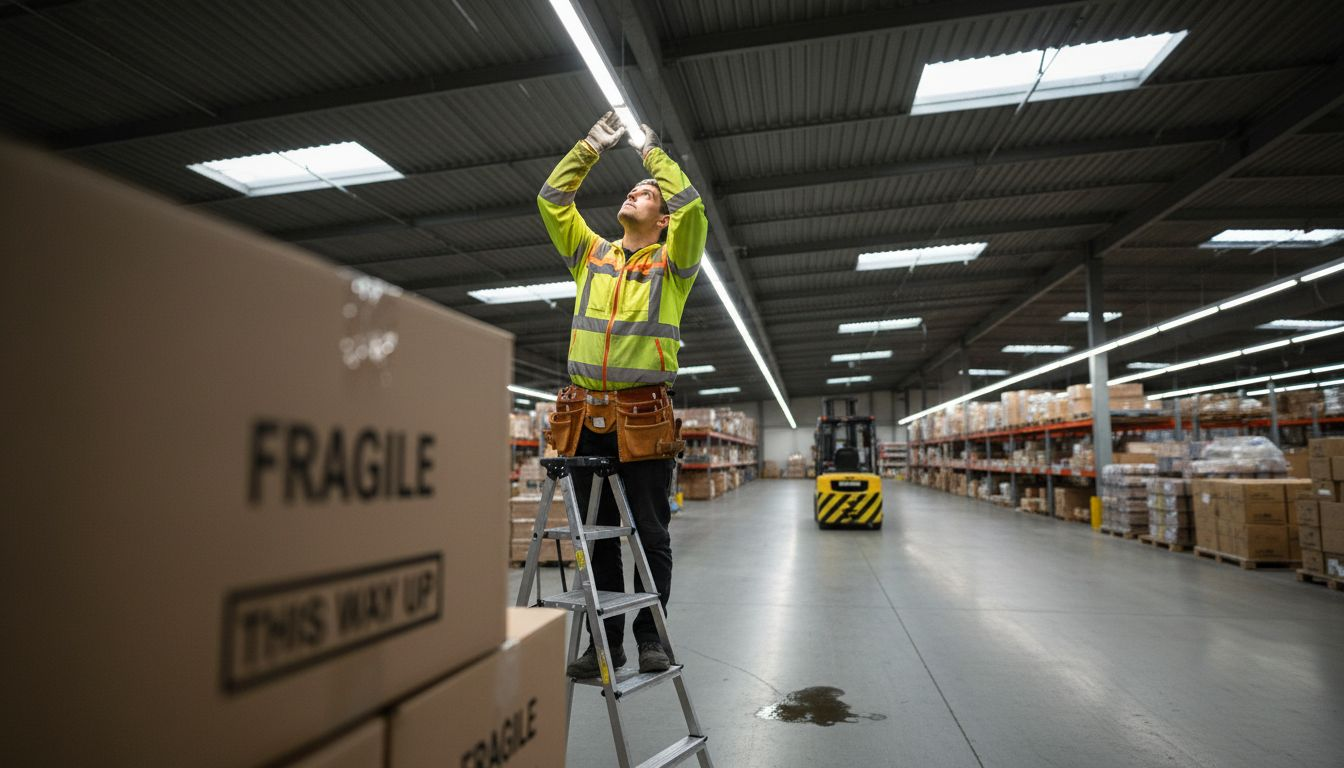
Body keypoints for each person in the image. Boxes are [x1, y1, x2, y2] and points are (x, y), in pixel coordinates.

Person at [536, 111, 707, 677]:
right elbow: (552, 200)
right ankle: (603, 644)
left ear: (662, 221)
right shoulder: (592, 255)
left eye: (648, 194)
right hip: (585, 417)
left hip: (644, 419)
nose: (638, 192)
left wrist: (651, 154)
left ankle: (650, 638)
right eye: (635, 189)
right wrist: (589, 147)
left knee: (649, 536)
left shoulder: (673, 265)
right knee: (599, 539)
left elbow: (694, 209)